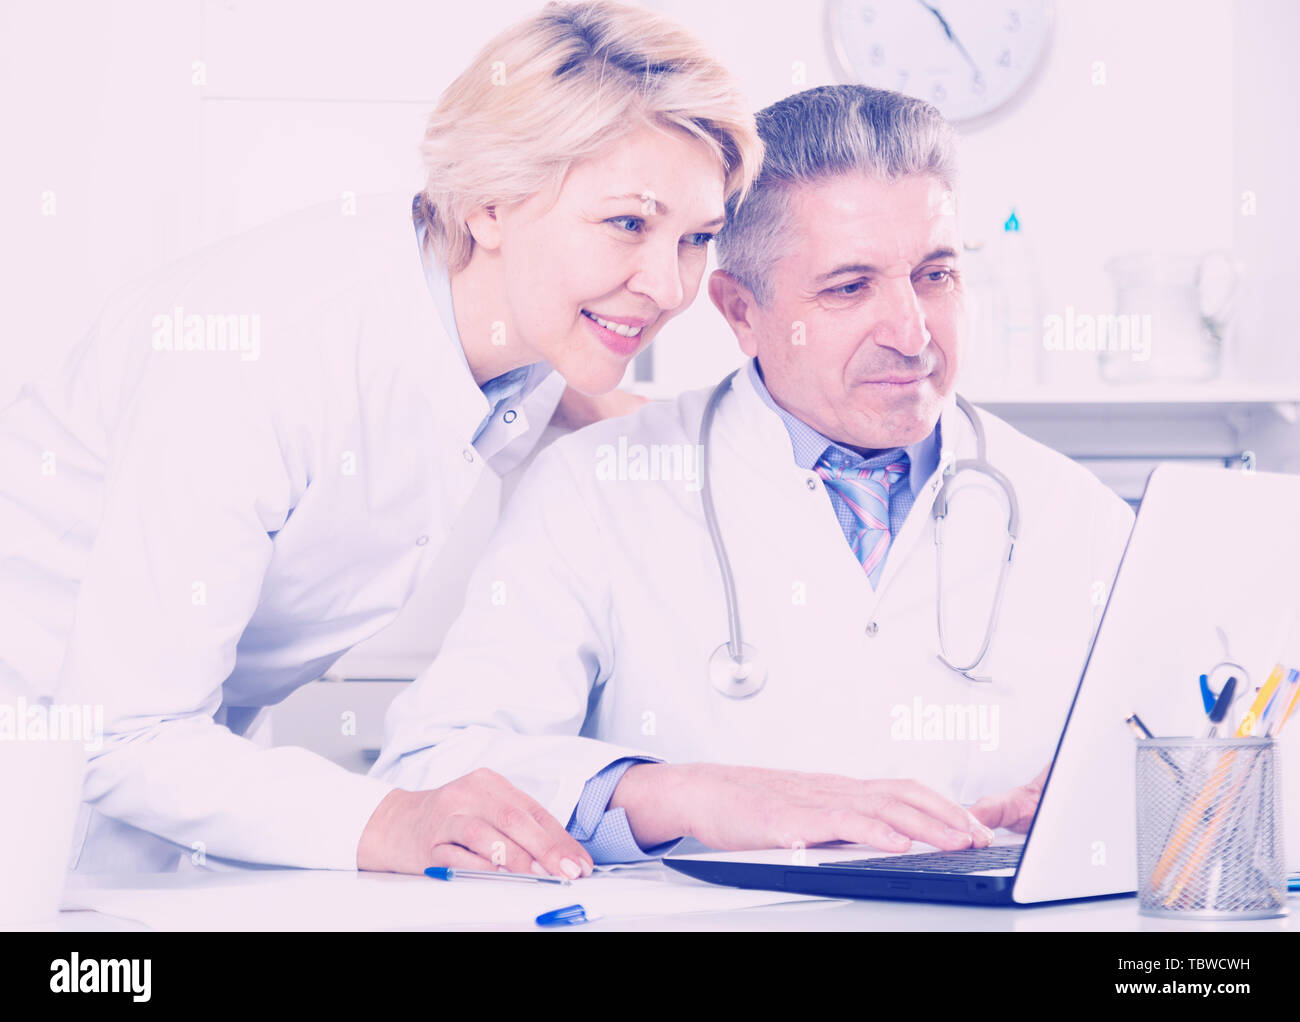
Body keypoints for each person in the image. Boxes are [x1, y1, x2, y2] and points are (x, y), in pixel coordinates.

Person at [0, 0, 760, 876]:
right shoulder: (262, 348)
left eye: (698, 238)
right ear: (490, 207)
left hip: (159, 783)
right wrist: (395, 822)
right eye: (628, 223)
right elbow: (122, 733)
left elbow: (566, 413)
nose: (667, 286)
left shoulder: (528, 326)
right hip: (43, 745)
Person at [371, 85, 1137, 863]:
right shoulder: (595, 491)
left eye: (935, 276)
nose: (911, 333)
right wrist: (684, 792)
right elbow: (434, 766)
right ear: (740, 312)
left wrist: (1117, 788)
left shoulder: (1074, 512)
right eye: (850, 288)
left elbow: (1201, 745)